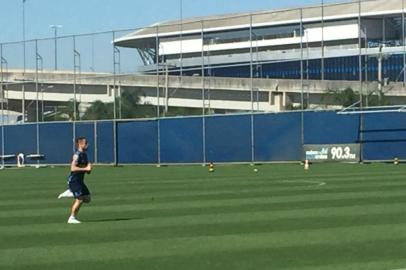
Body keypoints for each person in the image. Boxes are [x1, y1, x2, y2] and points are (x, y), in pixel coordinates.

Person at [67, 137, 92, 224]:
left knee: (88, 199)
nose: (87, 145)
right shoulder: (77, 155)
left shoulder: (84, 155)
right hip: (74, 181)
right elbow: (73, 168)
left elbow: (85, 170)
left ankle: (71, 192)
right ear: (80, 144)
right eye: (86, 143)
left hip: (80, 181)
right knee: (80, 199)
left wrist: (88, 170)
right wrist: (86, 168)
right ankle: (72, 218)